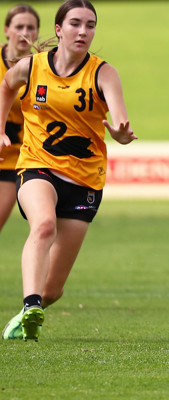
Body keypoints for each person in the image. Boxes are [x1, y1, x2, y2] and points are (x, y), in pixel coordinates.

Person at [0, 0, 137, 341]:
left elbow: (119, 119)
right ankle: (30, 303)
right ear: (59, 29)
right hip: (37, 166)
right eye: (75, 23)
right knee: (43, 225)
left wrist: (120, 134)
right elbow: (6, 87)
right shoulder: (31, 68)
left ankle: (30, 313)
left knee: (55, 289)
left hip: (84, 179)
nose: (83, 31)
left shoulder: (103, 72)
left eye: (90, 25)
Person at [0, 4, 39, 233]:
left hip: (13, 160)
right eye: (19, 26)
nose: (25, 32)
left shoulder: (43, 68)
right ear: (7, 30)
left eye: (31, 27)